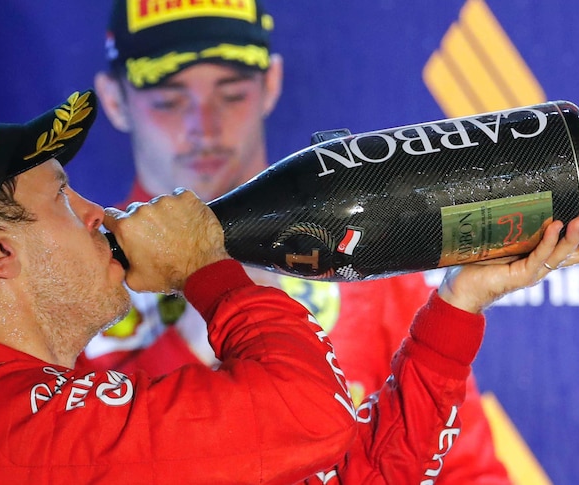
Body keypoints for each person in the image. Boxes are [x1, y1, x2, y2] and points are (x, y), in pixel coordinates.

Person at [0, 88, 579, 483]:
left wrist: (459, 302)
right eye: (64, 199)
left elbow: (351, 469)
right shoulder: (8, 434)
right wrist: (204, 265)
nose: (99, 212)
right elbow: (309, 416)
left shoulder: (18, 418)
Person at [90, 1, 507, 482]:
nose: (202, 126)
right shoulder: (76, 270)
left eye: (231, 94)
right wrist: (208, 298)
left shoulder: (358, 246)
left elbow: (464, 470)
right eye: (168, 100)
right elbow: (64, 463)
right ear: (115, 100)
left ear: (270, 84)